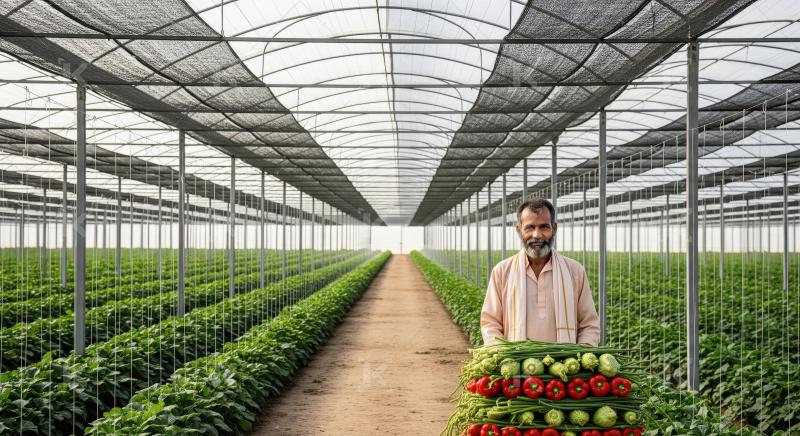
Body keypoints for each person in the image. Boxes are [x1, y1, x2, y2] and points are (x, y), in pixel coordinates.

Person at [480, 198, 600, 346]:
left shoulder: (574, 271)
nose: (537, 235)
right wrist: (502, 354)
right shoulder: (502, 271)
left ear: (554, 229)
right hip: (516, 364)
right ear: (519, 230)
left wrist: (582, 355)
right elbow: (490, 323)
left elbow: (589, 324)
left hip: (563, 365)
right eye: (530, 227)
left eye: (544, 227)